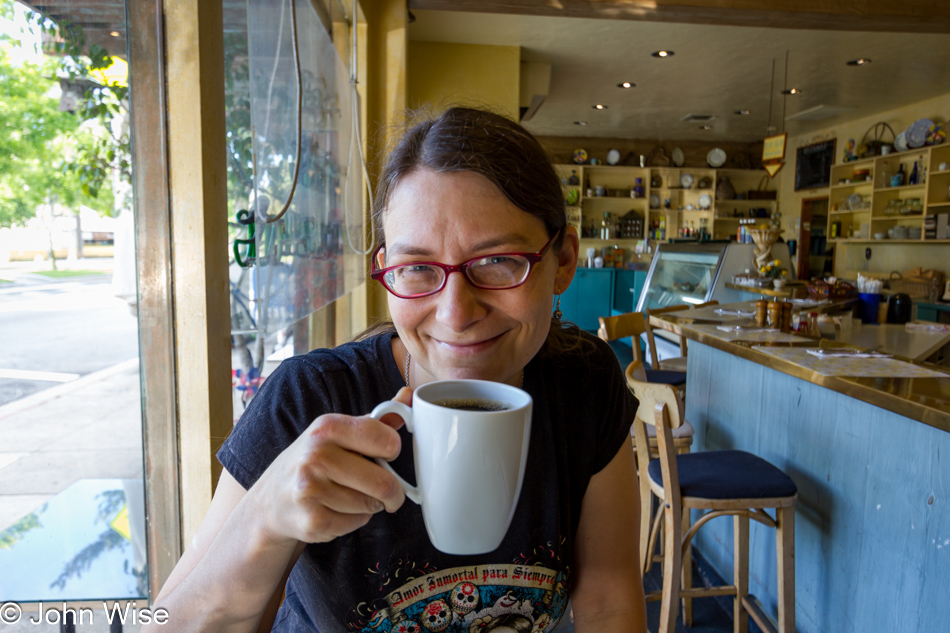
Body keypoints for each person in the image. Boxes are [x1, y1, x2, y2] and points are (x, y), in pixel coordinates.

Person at [145, 107, 646, 633]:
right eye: (417, 268)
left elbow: (610, 602)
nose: (455, 313)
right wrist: (266, 518)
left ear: (563, 261)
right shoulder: (311, 401)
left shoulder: (585, 384)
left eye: (498, 261)